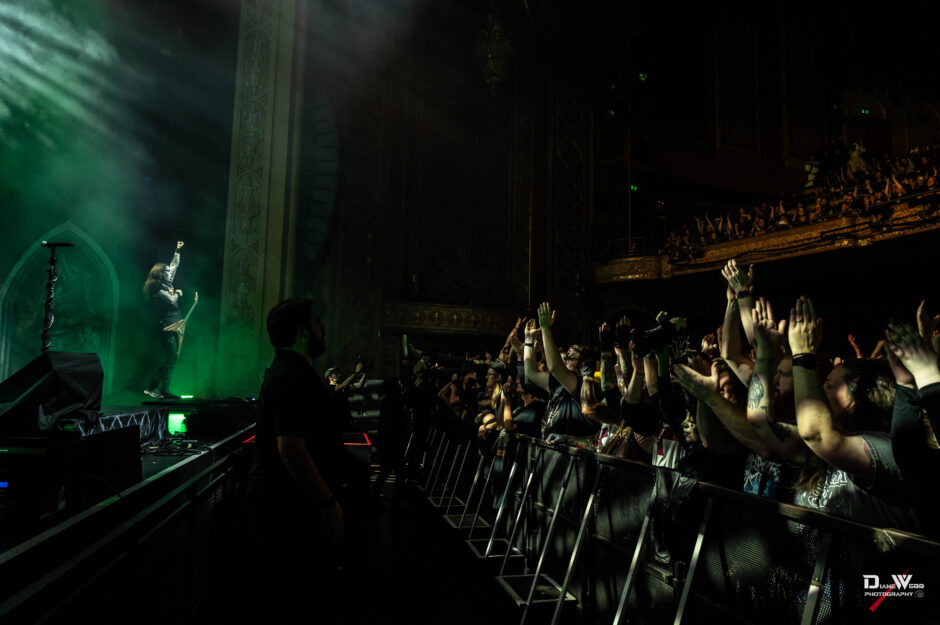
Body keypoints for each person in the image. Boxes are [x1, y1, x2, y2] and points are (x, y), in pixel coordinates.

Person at [246, 298, 345, 617]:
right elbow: (290, 447)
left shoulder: (285, 369)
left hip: (283, 506)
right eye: (317, 322)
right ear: (302, 331)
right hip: (288, 511)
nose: (324, 328)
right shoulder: (294, 376)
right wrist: (328, 502)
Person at [143, 240, 184, 399]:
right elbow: (171, 300)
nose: (169, 273)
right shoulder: (156, 287)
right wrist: (177, 293)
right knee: (171, 357)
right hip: (167, 326)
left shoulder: (166, 283)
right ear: (160, 273)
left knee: (173, 358)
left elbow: (174, 266)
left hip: (176, 323)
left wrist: (177, 251)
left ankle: (165, 389)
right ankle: (153, 387)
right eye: (166, 271)